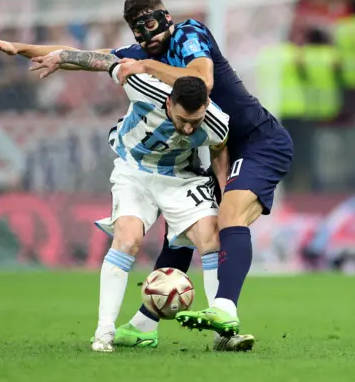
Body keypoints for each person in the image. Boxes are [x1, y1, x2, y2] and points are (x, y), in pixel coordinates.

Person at [0, 0, 293, 345]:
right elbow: (86, 57)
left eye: (153, 29)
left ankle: (224, 311)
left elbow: (201, 81)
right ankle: (143, 326)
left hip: (257, 141)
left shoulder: (189, 34)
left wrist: (144, 66)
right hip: (216, 148)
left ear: (166, 18)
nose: (149, 40)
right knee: (183, 234)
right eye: (141, 35)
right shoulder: (140, 57)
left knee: (227, 219)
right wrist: (21, 49)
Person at [34, 49, 252, 352]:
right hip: (134, 171)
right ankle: (104, 332)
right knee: (128, 239)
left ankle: (223, 335)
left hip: (180, 177)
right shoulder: (144, 86)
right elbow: (108, 62)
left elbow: (218, 151)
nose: (189, 128)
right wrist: (61, 56)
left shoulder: (216, 122)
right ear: (168, 103)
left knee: (210, 238)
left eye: (195, 121)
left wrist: (223, 190)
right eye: (182, 120)